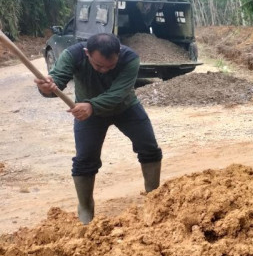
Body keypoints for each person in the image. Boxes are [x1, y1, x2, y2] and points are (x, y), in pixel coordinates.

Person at [34, 33, 162, 224]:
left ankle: (154, 199)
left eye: (109, 67)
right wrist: (46, 87)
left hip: (125, 108)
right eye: (98, 66)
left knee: (149, 148)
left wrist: (91, 106)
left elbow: (119, 93)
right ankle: (86, 211)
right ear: (87, 53)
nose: (103, 70)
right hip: (87, 114)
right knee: (85, 160)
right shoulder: (72, 55)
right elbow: (57, 80)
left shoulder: (130, 58)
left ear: (118, 54)